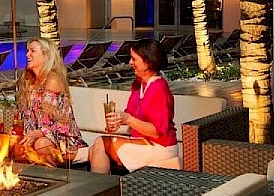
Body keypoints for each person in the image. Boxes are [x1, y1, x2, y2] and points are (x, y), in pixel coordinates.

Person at [89, 38, 176, 174]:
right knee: (93, 149)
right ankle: (108, 188)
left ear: (148, 61)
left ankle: (99, 191)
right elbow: (130, 114)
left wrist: (127, 119)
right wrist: (118, 122)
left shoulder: (159, 88)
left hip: (160, 146)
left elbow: (156, 131)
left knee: (100, 143)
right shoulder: (138, 85)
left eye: (134, 59)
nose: (130, 63)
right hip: (143, 141)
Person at [12, 37, 86, 167]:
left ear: (46, 55)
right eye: (27, 50)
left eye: (32, 51)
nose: (27, 54)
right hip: (36, 135)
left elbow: (61, 122)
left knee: (41, 145)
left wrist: (37, 134)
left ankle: (53, 180)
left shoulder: (52, 81)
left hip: (61, 137)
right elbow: (26, 116)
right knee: (12, 144)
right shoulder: (28, 81)